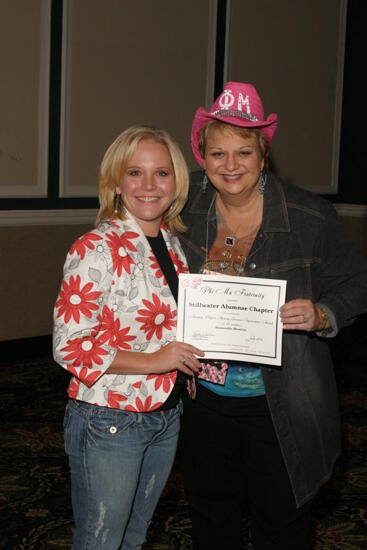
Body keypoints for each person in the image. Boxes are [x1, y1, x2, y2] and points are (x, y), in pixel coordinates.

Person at [179, 81, 367, 549]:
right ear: (203, 155)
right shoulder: (182, 212)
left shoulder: (309, 217)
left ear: (264, 154)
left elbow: (358, 283)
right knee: (211, 516)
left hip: (280, 398)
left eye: (244, 152)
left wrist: (322, 313)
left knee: (282, 522)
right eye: (218, 153)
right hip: (202, 399)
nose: (231, 166)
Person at [53, 125, 204, 549]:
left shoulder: (173, 244)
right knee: (101, 543)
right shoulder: (95, 247)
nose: (149, 185)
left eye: (162, 173)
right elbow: (69, 344)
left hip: (165, 412)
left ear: (177, 182)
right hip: (111, 419)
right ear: (116, 183)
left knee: (134, 540)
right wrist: (158, 360)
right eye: (135, 173)